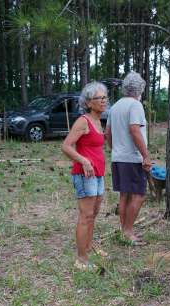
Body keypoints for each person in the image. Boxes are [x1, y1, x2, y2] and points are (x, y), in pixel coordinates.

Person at [61, 81, 109, 269]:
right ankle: (81, 260)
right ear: (89, 103)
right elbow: (65, 146)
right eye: (99, 98)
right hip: (85, 174)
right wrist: (84, 161)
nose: (104, 101)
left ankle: (89, 245)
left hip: (98, 174)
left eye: (105, 97)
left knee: (94, 213)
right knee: (86, 215)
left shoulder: (98, 120)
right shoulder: (83, 121)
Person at [105, 71, 151, 245]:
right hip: (132, 158)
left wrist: (115, 149)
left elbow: (107, 133)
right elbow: (134, 130)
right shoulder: (135, 105)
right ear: (139, 89)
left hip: (118, 157)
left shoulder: (115, 106)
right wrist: (146, 155)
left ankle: (124, 231)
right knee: (138, 195)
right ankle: (128, 231)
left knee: (124, 195)